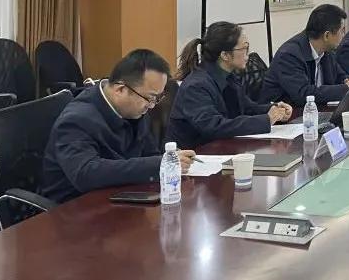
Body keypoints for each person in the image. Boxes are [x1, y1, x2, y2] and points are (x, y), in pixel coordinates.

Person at [41, 49, 195, 203]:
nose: (152, 105)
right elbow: (85, 174)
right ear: (120, 89)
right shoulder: (76, 119)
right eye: (150, 98)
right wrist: (157, 164)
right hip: (74, 207)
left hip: (121, 196)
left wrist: (167, 159)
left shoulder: (134, 108)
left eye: (156, 98)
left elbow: (148, 153)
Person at [167, 22, 293, 149]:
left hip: (222, 148)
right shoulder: (196, 86)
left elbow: (247, 108)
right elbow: (214, 126)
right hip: (196, 154)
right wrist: (266, 120)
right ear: (225, 55)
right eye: (244, 48)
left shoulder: (229, 76)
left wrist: (275, 110)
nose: (248, 53)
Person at [259, 4, 349, 107]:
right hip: (286, 114)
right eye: (342, 30)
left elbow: (339, 75)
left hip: (314, 111)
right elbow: (303, 94)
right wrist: (345, 87)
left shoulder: (326, 51)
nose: (344, 35)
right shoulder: (289, 55)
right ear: (327, 35)